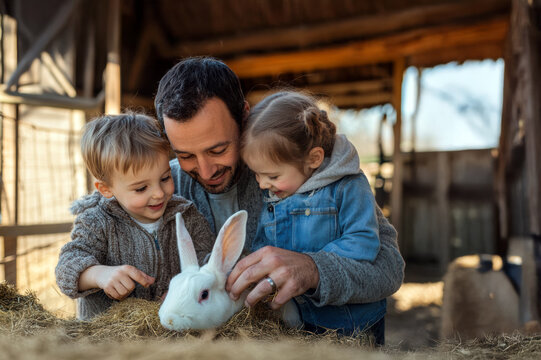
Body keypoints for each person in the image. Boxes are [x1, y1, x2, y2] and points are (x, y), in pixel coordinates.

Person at [154, 57, 404, 342]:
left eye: (218, 149)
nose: (206, 170)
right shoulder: (161, 185)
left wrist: (314, 268)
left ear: (244, 117)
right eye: (185, 155)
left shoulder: (300, 167)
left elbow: (389, 268)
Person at [239, 90, 385, 340]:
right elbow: (265, 244)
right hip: (300, 324)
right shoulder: (277, 191)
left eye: (272, 176)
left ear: (314, 158)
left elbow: (363, 240)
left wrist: (309, 265)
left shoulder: (347, 186)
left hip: (349, 325)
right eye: (256, 174)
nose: (262, 184)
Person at [55, 113, 215, 320]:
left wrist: (188, 287)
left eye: (165, 178)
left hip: (173, 329)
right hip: (108, 337)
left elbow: (207, 260)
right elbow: (67, 267)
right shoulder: (97, 221)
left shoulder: (185, 215)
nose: (159, 193)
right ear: (106, 189)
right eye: (141, 188)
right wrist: (99, 274)